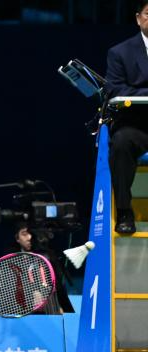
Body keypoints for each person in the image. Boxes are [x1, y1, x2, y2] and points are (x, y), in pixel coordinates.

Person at [106, 2, 148, 236]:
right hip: (137, 124)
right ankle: (124, 212)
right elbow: (116, 89)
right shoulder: (120, 52)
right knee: (121, 142)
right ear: (138, 18)